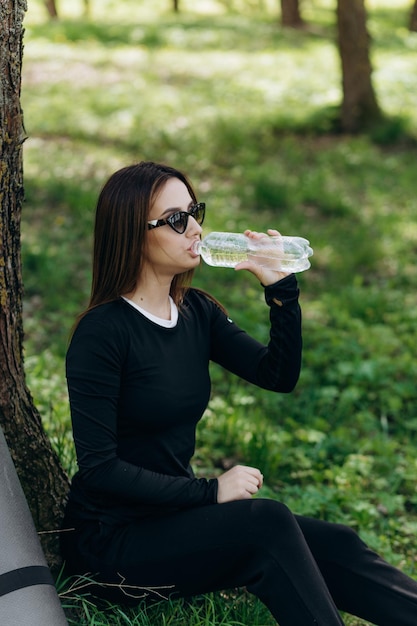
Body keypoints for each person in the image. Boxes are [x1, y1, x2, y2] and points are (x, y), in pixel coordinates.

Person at [61, 161, 417, 626]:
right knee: (265, 524)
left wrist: (281, 291)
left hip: (172, 518)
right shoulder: (102, 333)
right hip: (112, 543)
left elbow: (277, 375)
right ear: (133, 234)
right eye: (174, 220)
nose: (195, 229)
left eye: (194, 211)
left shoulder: (196, 312)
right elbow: (99, 468)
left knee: (335, 543)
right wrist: (210, 492)